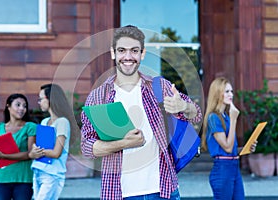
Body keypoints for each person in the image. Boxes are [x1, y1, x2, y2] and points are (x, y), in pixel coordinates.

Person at [81, 25, 202, 200]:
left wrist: (183, 106)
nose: (128, 57)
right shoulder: (99, 96)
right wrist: (123, 143)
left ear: (142, 54)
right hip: (119, 193)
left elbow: (196, 113)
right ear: (113, 53)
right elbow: (87, 147)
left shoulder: (159, 87)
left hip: (163, 190)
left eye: (134, 51)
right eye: (122, 50)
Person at [201, 77, 257, 200]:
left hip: (234, 167)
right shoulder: (213, 118)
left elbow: (231, 148)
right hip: (222, 169)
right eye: (226, 91)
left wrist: (246, 148)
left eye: (231, 91)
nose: (231, 94)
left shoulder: (226, 117)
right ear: (217, 93)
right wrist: (234, 119)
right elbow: (227, 148)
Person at [28, 83, 78, 200]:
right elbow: (39, 149)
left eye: (41, 99)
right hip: (38, 171)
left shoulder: (62, 122)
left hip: (52, 174)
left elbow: (56, 153)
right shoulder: (45, 121)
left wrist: (38, 151)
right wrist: (35, 152)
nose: (39, 102)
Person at [0, 93, 37, 200]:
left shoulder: (30, 127)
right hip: (2, 178)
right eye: (18, 105)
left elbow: (30, 154)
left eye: (24, 106)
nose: (22, 108)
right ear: (8, 107)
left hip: (23, 180)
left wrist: (3, 156)